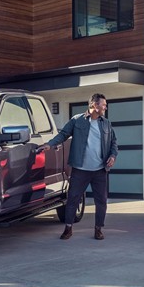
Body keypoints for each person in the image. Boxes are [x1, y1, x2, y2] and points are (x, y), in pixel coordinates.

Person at [40, 93, 117, 240]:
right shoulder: (77, 120)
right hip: (80, 170)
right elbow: (63, 135)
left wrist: (112, 156)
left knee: (101, 201)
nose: (105, 107)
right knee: (72, 199)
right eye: (103, 105)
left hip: (100, 170)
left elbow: (114, 142)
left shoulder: (106, 123)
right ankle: (68, 228)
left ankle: (98, 229)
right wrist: (50, 144)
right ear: (95, 105)